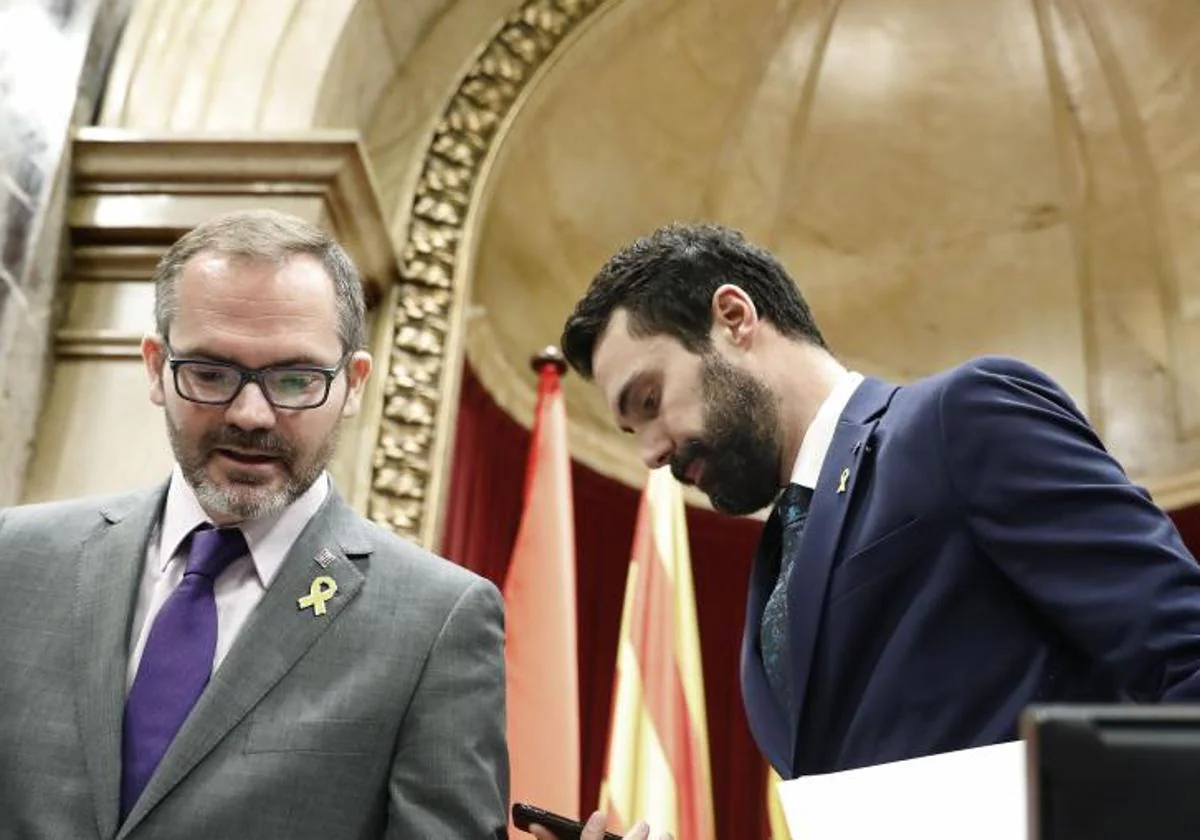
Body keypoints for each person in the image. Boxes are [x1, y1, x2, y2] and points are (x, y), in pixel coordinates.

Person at [553, 221, 1200, 840]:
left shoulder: (959, 418)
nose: (651, 454)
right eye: (632, 431)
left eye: (649, 401)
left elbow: (1184, 653)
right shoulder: (774, 566)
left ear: (733, 318)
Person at [0, 209, 509, 839]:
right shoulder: (17, 561)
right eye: (210, 373)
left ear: (352, 385)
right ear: (156, 366)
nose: (249, 414)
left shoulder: (437, 623)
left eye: (295, 379)